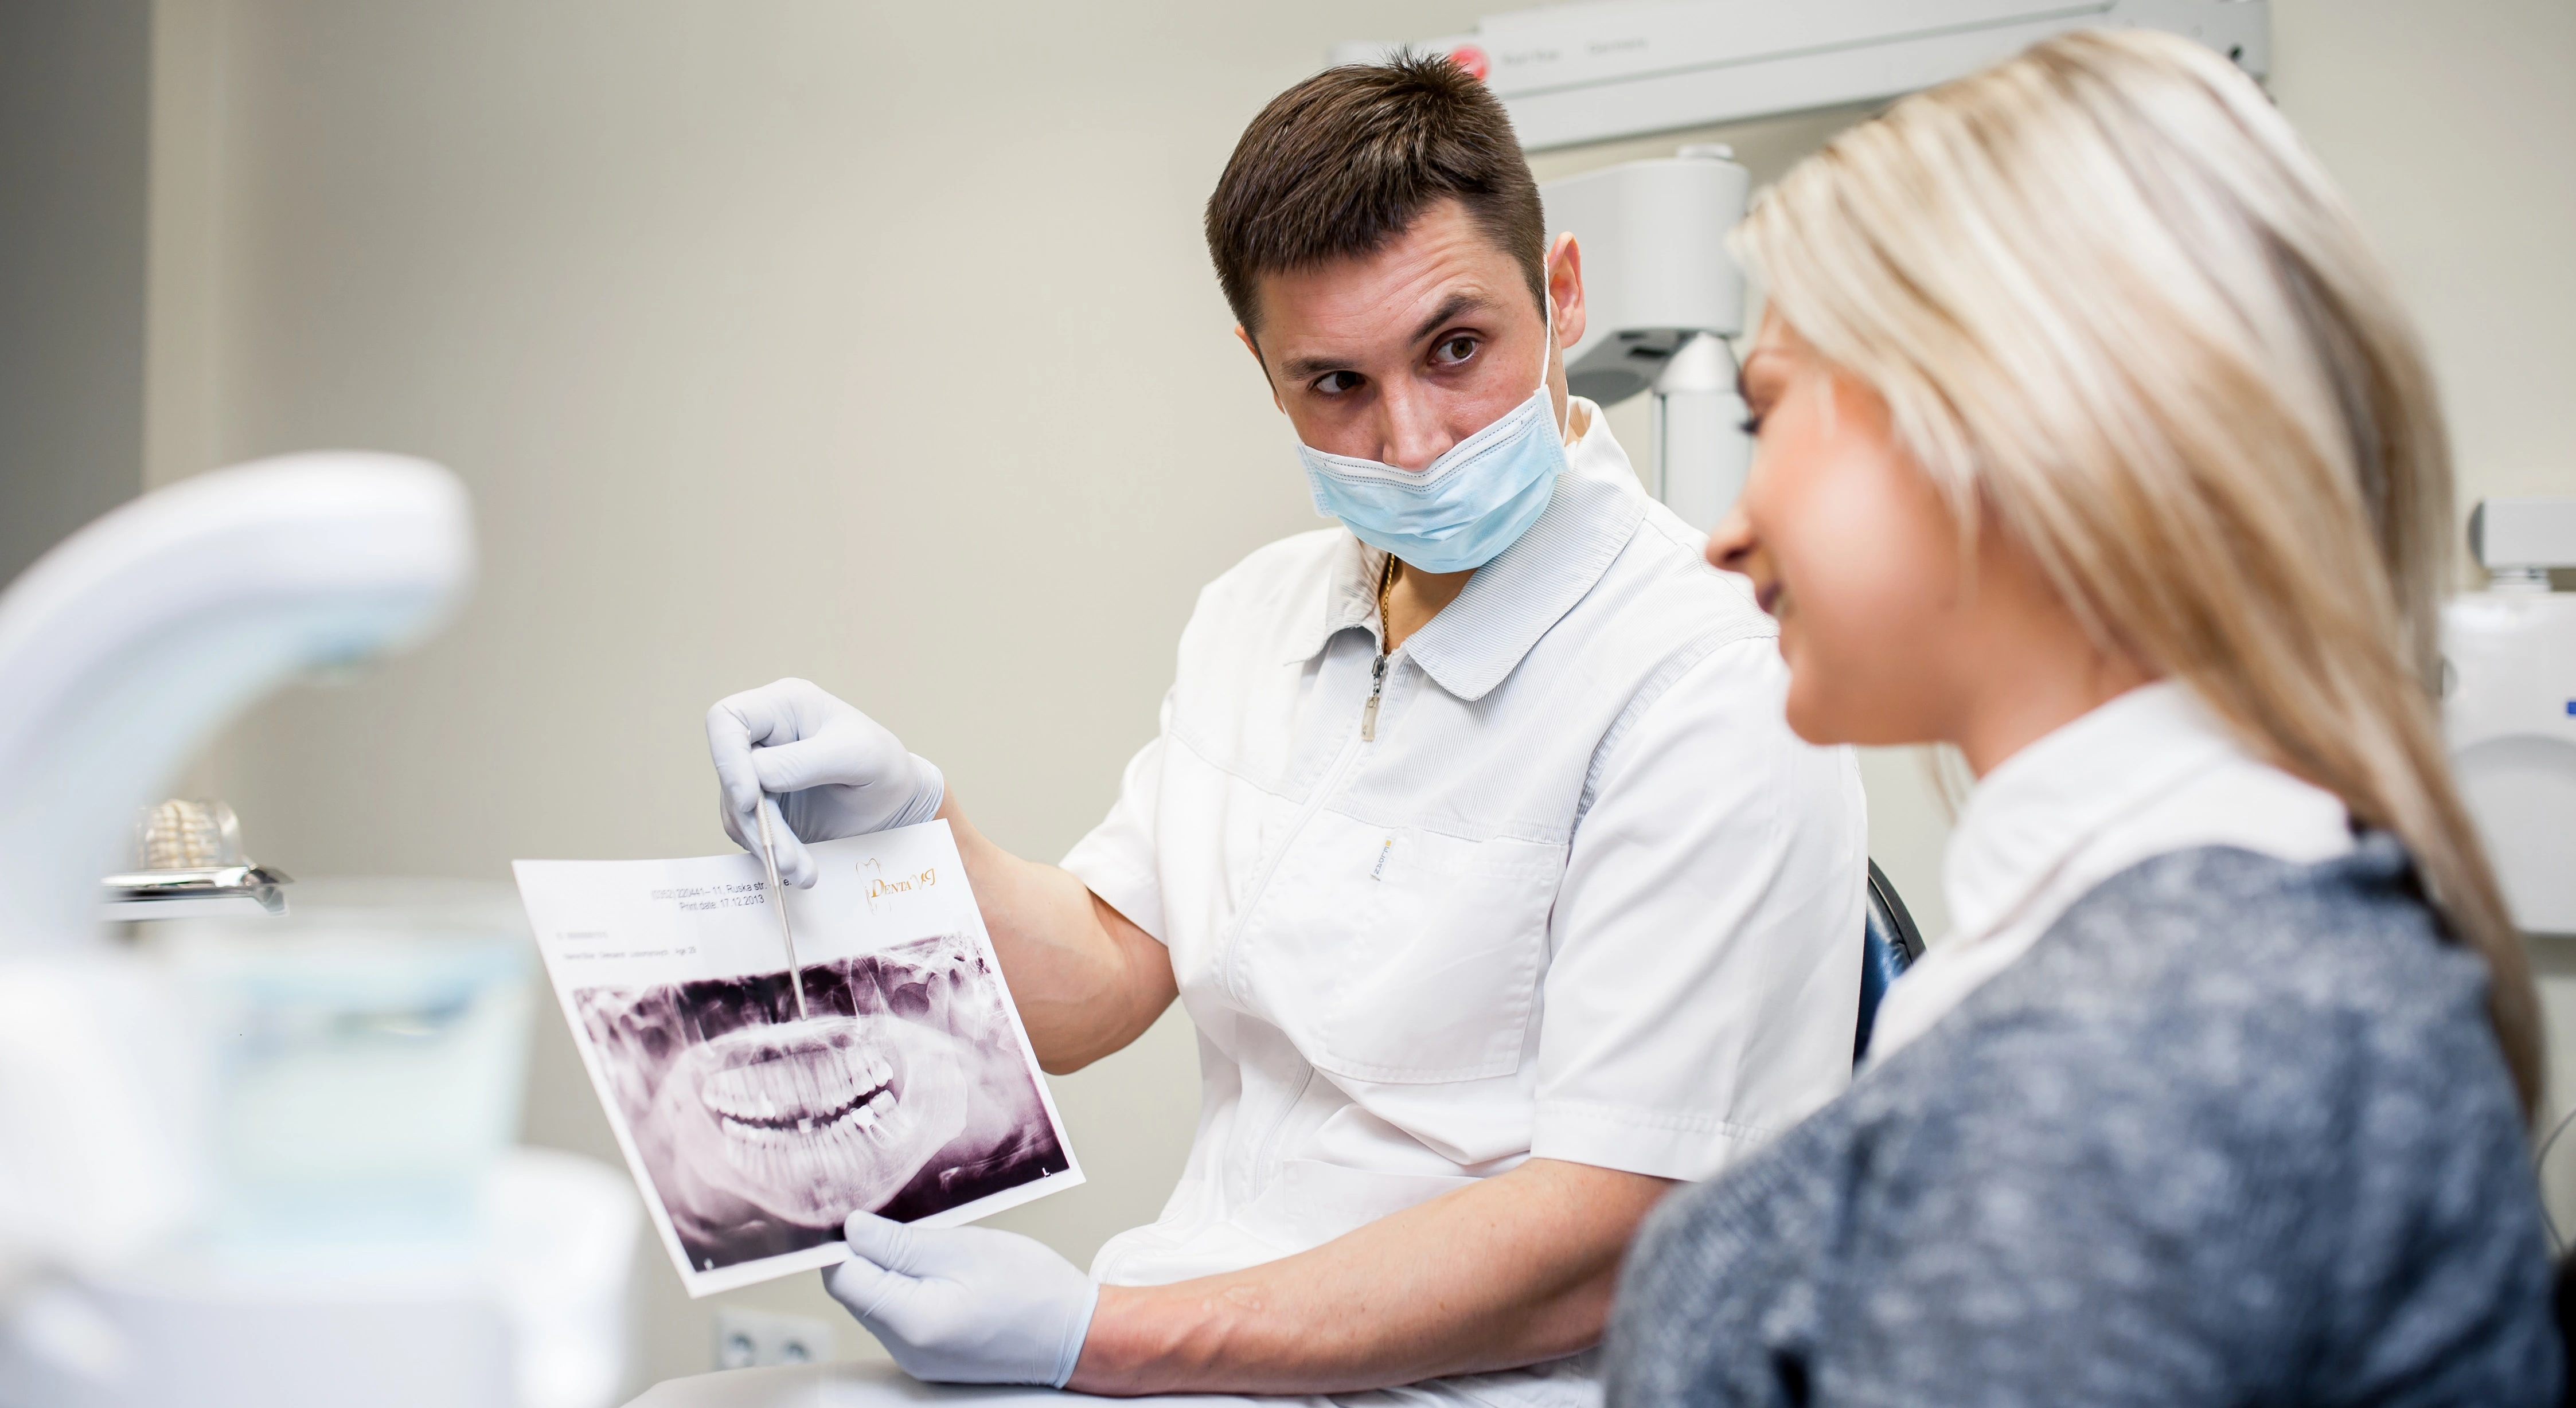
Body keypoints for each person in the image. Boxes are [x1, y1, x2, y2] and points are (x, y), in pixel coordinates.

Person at [702, 56, 1866, 1405]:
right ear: (1261, 371)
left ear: (1559, 295)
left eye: (1455, 348)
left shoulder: (1710, 680)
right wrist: (913, 835)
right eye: (1333, 385)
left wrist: (1104, 1340)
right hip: (1200, 1346)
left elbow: (1606, 1240)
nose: (1414, 440)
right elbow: (1100, 981)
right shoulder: (1255, 615)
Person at [1603, 28, 2561, 1406]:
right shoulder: (2195, 963)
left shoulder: (2150, 1048)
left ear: (2004, 418)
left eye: (1765, 416)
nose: (1727, 530)